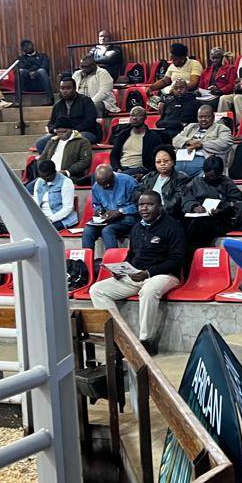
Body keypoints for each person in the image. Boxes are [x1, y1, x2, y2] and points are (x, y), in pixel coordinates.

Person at [88, 190, 186, 353]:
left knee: (148, 291)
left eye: (149, 204)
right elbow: (132, 254)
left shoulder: (173, 227)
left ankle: (146, 341)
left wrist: (148, 273)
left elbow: (177, 260)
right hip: (136, 275)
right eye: (141, 205)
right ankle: (119, 337)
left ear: (160, 207)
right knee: (97, 290)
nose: (144, 208)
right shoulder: (137, 227)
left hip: (164, 275)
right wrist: (122, 269)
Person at [180, 156, 242, 251]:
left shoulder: (227, 183)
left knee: (200, 228)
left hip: (220, 219)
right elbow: (187, 198)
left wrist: (222, 209)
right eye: (209, 175)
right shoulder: (196, 182)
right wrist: (194, 207)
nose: (212, 178)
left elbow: (236, 202)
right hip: (198, 216)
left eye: (215, 176)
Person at [83, 164, 139, 248]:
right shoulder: (96, 186)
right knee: (88, 230)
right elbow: (96, 204)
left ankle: (112, 256)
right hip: (107, 219)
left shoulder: (129, 182)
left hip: (126, 219)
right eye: (101, 185)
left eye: (107, 184)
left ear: (113, 177)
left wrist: (120, 211)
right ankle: (87, 256)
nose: (104, 187)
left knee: (107, 231)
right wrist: (99, 210)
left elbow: (138, 206)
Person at [171, 104, 233, 178]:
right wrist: (189, 141)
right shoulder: (191, 127)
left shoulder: (221, 128)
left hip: (204, 165)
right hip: (181, 160)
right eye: (200, 117)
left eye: (207, 117)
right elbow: (175, 140)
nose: (203, 119)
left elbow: (225, 142)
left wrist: (201, 145)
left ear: (213, 117)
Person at [40, 77, 100, 150]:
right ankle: (50, 157)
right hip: (62, 134)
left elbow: (89, 121)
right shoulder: (57, 105)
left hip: (84, 132)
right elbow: (51, 124)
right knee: (41, 143)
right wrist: (55, 130)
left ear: (75, 89)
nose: (65, 91)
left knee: (74, 140)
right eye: (62, 88)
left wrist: (72, 131)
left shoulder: (86, 101)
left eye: (68, 88)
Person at [109, 106, 161, 180]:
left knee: (115, 178)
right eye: (132, 115)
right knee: (97, 176)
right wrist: (117, 168)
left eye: (138, 115)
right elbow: (113, 155)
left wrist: (145, 174)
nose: (134, 118)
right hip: (121, 169)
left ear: (145, 117)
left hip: (139, 169)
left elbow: (156, 160)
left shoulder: (153, 137)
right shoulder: (123, 134)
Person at [37, 117, 92, 181]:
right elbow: (42, 159)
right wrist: (44, 170)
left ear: (71, 130)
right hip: (48, 176)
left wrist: (67, 172)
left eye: (64, 132)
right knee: (30, 186)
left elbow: (85, 161)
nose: (61, 134)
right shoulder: (52, 141)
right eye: (58, 132)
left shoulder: (82, 142)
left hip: (69, 177)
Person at [30, 159, 77, 232]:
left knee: (43, 229)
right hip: (43, 217)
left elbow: (68, 208)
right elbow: (36, 201)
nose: (44, 179)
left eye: (47, 176)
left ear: (54, 172)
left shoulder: (66, 182)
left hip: (61, 218)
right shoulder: (39, 181)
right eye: (42, 176)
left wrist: (50, 219)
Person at [145, 147, 184, 217]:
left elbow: (176, 202)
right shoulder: (150, 176)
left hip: (168, 215)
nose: (162, 164)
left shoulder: (181, 178)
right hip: (147, 214)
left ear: (173, 162)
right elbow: (140, 195)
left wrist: (157, 210)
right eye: (158, 162)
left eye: (166, 161)